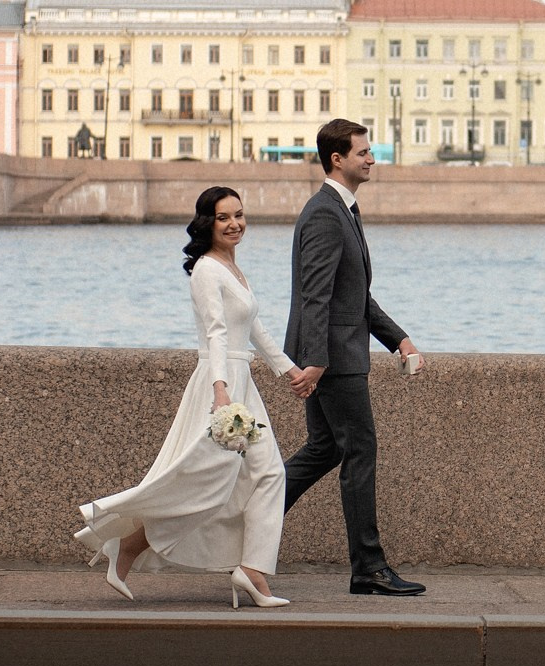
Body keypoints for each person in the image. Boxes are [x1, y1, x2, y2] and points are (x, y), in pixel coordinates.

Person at [73, 186, 297, 608]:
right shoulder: (207, 271)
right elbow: (215, 332)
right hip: (222, 384)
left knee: (268, 475)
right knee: (201, 482)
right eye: (223, 218)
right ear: (207, 224)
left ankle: (251, 571)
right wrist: (219, 390)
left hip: (240, 381)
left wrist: (289, 371)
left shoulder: (233, 268)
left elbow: (253, 327)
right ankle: (128, 544)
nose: (234, 224)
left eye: (239, 215)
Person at [282, 117, 429, 596]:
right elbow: (316, 297)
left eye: (371, 151)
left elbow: (355, 295)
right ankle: (368, 568)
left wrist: (399, 339)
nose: (371, 158)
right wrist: (319, 361)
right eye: (363, 152)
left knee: (324, 450)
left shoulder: (341, 209)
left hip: (330, 354)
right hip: (335, 360)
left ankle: (247, 518)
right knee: (360, 452)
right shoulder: (326, 213)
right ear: (337, 159)